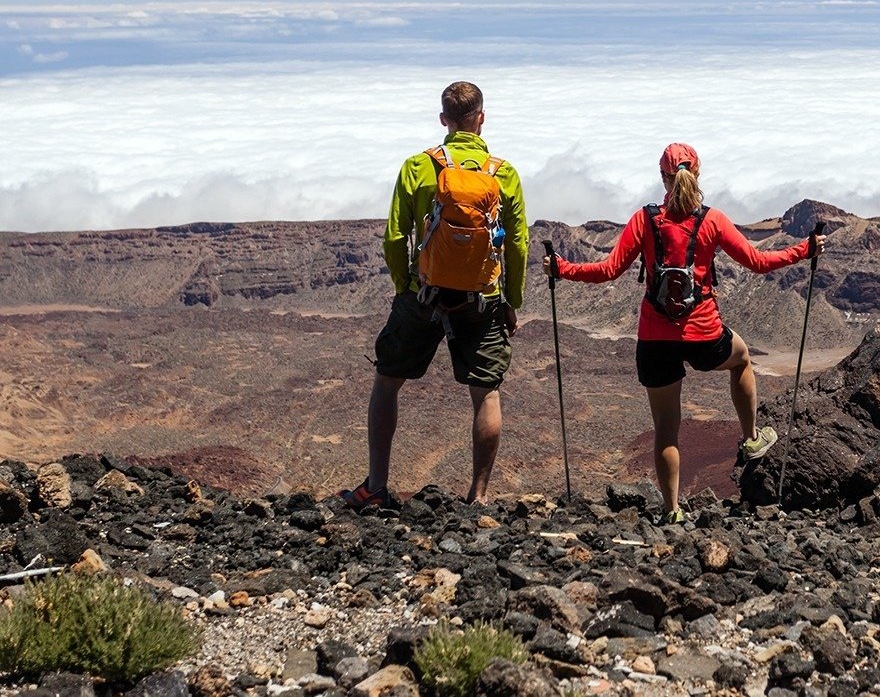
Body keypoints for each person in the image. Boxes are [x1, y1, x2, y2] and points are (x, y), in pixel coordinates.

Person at [545, 142, 823, 523]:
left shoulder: (644, 220)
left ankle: (672, 511)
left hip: (655, 339)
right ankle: (751, 438)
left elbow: (608, 270)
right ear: (698, 174)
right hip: (704, 334)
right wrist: (804, 250)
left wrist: (561, 268)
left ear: (663, 177)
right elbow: (758, 262)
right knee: (741, 358)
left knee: (665, 429)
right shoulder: (712, 221)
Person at [341, 81, 528, 508]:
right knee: (486, 392)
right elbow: (518, 244)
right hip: (482, 300)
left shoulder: (417, 167)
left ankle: (376, 487)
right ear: (482, 118)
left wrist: (405, 287)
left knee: (387, 382)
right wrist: (510, 301)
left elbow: (394, 237)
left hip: (422, 296)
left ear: (444, 120)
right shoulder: (504, 174)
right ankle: (478, 497)